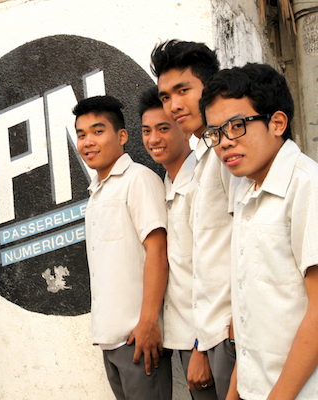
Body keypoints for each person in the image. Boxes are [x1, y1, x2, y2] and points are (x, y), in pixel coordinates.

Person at [200, 63, 318, 400]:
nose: (223, 143)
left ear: (277, 122)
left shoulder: (306, 186)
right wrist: (236, 392)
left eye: (236, 126)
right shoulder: (246, 191)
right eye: (215, 133)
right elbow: (254, 313)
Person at [151, 39, 237, 399]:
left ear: (209, 87)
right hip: (211, 334)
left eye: (182, 90)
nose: (173, 105)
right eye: (166, 96)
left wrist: (210, 342)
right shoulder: (202, 159)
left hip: (230, 335)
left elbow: (241, 248)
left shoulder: (230, 154)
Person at [74, 95, 171, 400]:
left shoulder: (138, 179)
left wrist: (148, 322)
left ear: (122, 136)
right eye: (81, 134)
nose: (88, 141)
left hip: (139, 338)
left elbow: (158, 251)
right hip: (110, 340)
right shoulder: (98, 192)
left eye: (98, 131)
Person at [139, 86, 218, 400]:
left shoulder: (201, 183)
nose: (153, 139)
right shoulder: (166, 183)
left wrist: (201, 346)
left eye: (163, 129)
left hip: (206, 342)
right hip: (183, 338)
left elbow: (211, 270)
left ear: (184, 131)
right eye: (146, 131)